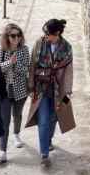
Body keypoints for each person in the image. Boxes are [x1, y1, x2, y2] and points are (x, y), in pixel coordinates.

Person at [27, 18, 73, 166]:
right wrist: (31, 86)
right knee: (44, 120)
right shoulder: (40, 43)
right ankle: (44, 154)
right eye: (45, 33)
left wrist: (66, 94)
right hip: (41, 88)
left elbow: (68, 71)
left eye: (49, 34)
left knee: (54, 118)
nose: (46, 36)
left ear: (57, 33)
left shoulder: (67, 48)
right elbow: (33, 64)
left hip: (58, 91)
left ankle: (48, 140)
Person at [0, 23, 31, 163]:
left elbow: (25, 69)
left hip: (20, 90)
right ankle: (2, 151)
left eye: (18, 35)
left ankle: (16, 134)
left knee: (17, 114)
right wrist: (10, 62)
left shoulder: (24, 50)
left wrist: (15, 64)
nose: (16, 38)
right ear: (7, 37)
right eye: (13, 36)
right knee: (4, 120)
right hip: (4, 91)